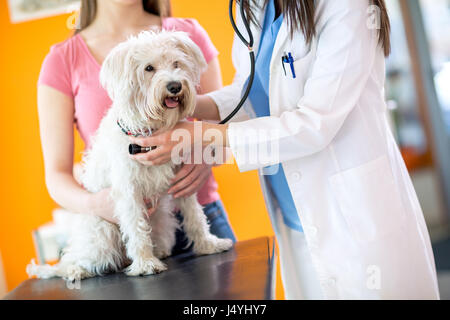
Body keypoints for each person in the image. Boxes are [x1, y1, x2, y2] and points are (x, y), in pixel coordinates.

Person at [129, 0, 440, 299]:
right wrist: (179, 102)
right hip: (294, 212)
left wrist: (202, 135)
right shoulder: (252, 7)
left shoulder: (347, 5)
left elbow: (315, 123)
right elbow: (248, 90)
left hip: (351, 213)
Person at [37, 0, 236, 257]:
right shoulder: (62, 60)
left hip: (202, 214)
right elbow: (56, 176)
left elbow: (225, 133)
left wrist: (205, 159)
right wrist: (96, 204)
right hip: (119, 229)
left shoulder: (187, 34)